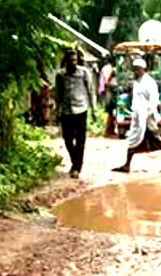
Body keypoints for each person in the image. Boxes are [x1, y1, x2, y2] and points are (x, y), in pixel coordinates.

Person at [112, 58, 161, 174]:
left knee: (154, 139)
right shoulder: (137, 82)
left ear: (144, 69)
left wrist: (148, 115)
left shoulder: (149, 83)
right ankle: (127, 164)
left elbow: (153, 101)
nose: (136, 72)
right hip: (138, 116)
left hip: (147, 116)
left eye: (138, 69)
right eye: (134, 70)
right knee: (133, 138)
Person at [55, 48, 94, 178]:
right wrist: (57, 111)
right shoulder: (60, 75)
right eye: (71, 60)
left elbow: (90, 91)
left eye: (75, 60)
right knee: (67, 139)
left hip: (81, 109)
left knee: (81, 141)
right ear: (66, 61)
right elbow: (58, 94)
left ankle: (77, 167)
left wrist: (93, 109)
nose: (73, 63)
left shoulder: (84, 73)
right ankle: (74, 161)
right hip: (66, 111)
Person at [98, 57, 117, 136]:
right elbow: (106, 79)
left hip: (106, 91)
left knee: (111, 112)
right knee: (111, 111)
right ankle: (108, 130)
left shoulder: (105, 68)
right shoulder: (109, 68)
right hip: (108, 92)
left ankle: (110, 129)